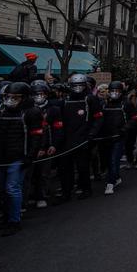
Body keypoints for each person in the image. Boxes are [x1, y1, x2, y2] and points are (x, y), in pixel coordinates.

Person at [0, 82, 45, 236]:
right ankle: (7, 215)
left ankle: (14, 220)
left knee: (12, 188)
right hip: (0, 157)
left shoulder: (31, 112)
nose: (11, 100)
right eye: (9, 97)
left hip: (18, 157)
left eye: (16, 97)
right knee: (2, 189)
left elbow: (36, 135)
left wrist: (30, 156)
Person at [59, 73, 103, 201]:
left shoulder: (90, 99)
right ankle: (66, 192)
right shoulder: (66, 99)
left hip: (83, 138)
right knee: (65, 167)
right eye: (75, 85)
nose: (77, 88)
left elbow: (98, 118)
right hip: (67, 138)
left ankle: (86, 189)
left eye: (80, 85)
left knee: (82, 166)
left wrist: (91, 134)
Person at [27, 79, 60, 208]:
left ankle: (41, 195)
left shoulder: (54, 109)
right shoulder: (27, 110)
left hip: (47, 146)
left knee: (43, 173)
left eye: (41, 93)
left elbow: (58, 128)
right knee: (30, 174)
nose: (39, 96)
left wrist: (54, 145)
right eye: (36, 94)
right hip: (31, 146)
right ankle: (31, 195)